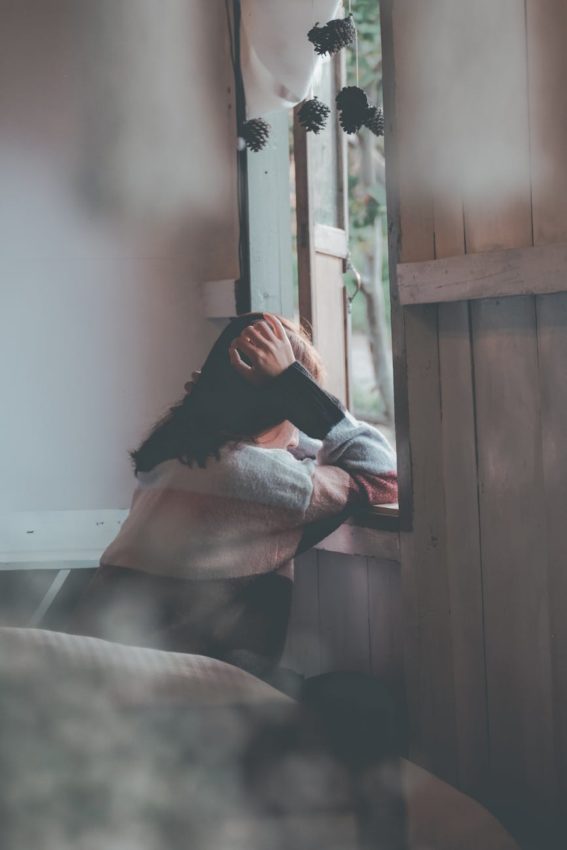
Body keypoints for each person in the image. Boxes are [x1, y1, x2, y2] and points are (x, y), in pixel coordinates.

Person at [67, 312, 397, 680]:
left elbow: (281, 449)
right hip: (165, 687)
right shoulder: (256, 478)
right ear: (284, 408)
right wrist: (298, 388)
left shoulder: (175, 455)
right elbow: (381, 473)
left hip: (87, 664)